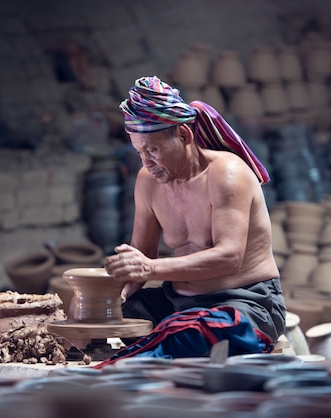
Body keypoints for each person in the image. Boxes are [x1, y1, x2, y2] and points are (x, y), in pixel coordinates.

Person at [104, 76, 286, 343]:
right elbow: (142, 254)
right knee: (116, 317)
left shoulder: (227, 173)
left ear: (183, 135)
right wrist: (112, 297)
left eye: (153, 150)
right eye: (139, 152)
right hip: (181, 302)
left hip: (247, 300)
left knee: (195, 334)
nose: (146, 162)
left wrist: (151, 268)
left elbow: (229, 257)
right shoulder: (147, 181)